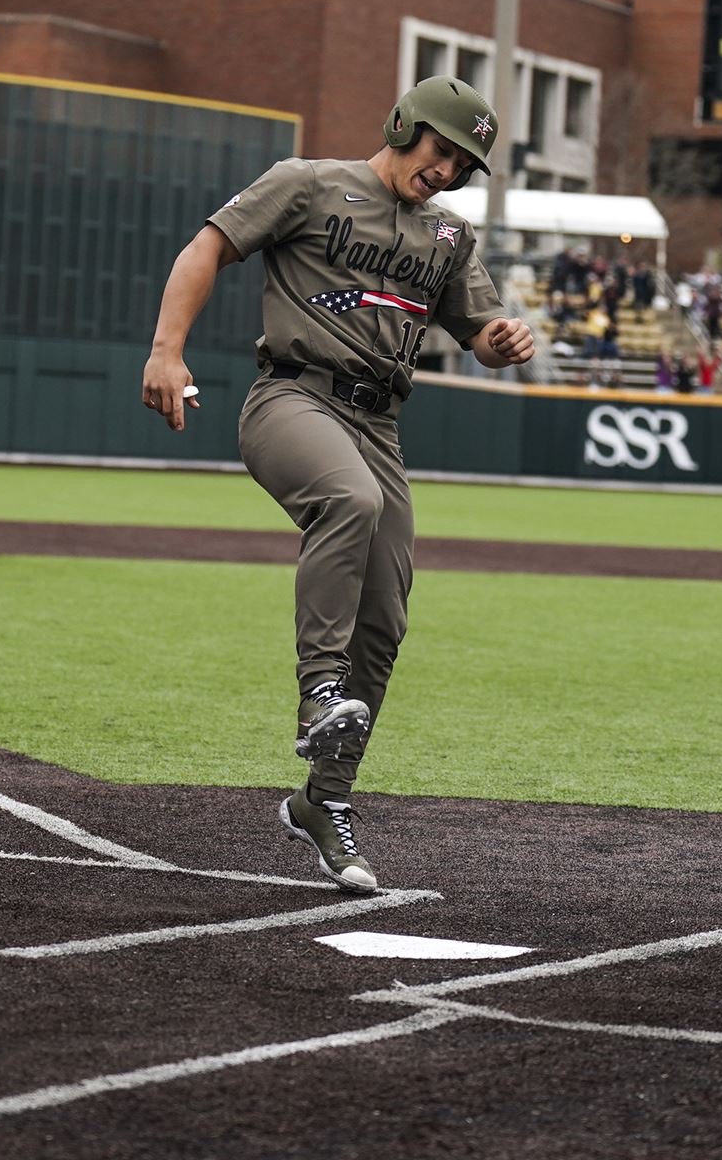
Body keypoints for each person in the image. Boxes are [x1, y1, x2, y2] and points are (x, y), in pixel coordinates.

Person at [139, 76, 532, 893]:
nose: (449, 169)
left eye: (465, 163)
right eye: (443, 147)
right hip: (292, 396)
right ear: (403, 124)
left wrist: (502, 339)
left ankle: (325, 799)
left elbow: (480, 335)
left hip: (378, 422)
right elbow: (205, 246)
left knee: (384, 621)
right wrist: (167, 350)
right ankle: (319, 691)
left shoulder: (449, 238)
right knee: (350, 501)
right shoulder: (307, 183)